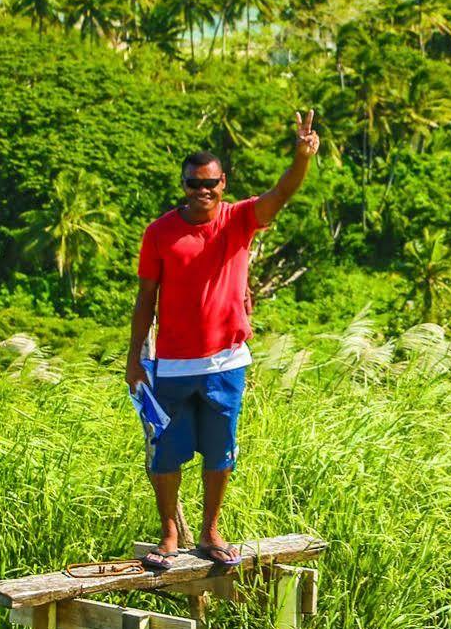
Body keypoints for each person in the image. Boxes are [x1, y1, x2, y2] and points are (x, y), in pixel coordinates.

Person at [125, 111, 319, 570]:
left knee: (221, 450)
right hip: (171, 365)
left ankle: (211, 531)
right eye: (194, 184)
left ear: (223, 183)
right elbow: (144, 300)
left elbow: (283, 192)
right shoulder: (159, 233)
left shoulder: (239, 221)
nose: (203, 191)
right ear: (184, 185)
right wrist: (134, 361)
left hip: (227, 363)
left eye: (210, 182)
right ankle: (169, 534)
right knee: (165, 453)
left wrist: (300, 157)